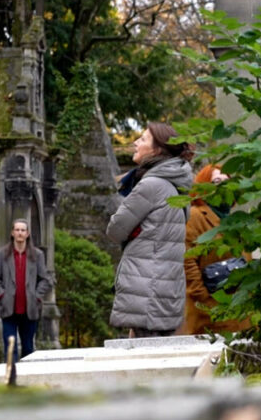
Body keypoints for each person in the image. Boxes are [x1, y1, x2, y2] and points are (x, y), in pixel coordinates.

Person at [106, 122, 194, 338]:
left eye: (143, 139)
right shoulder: (177, 187)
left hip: (145, 290)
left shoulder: (151, 186)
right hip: (166, 290)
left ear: (157, 150)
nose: (135, 143)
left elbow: (115, 230)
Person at [178, 164, 251, 335]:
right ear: (204, 186)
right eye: (217, 181)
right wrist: (205, 300)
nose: (223, 186)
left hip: (240, 311)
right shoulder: (195, 216)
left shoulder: (236, 221)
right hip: (210, 313)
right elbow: (186, 261)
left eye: (227, 181)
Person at [0, 219, 52, 361]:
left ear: (27, 233)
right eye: (17, 230)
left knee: (28, 348)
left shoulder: (37, 255)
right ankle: (11, 380)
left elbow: (45, 279)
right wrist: (1, 295)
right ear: (12, 233)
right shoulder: (2, 254)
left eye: (23, 230)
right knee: (10, 348)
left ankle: (26, 380)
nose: (20, 233)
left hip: (30, 309)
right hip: (9, 308)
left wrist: (37, 296)